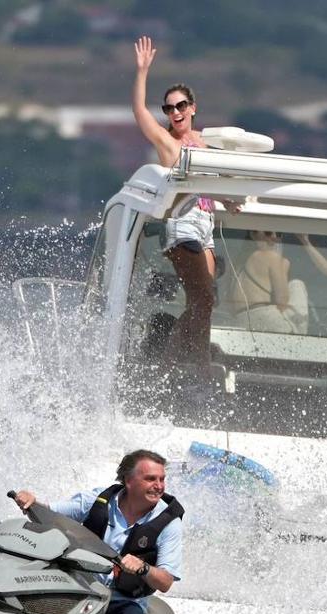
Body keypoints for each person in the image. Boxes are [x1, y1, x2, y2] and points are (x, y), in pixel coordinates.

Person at [12, 449, 183, 614]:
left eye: (162, 479)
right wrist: (31, 501)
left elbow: (165, 582)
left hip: (122, 601)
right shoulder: (98, 499)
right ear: (129, 481)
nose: (159, 486)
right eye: (150, 479)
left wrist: (143, 568)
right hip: (78, 586)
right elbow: (48, 515)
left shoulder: (169, 523)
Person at [132, 36, 217, 369]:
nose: (175, 112)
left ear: (193, 107)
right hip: (182, 222)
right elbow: (139, 112)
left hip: (206, 222)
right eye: (169, 108)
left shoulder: (205, 143)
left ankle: (196, 366)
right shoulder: (167, 142)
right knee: (202, 300)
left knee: (204, 304)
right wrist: (142, 71)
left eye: (181, 106)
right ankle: (178, 365)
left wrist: (228, 200)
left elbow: (211, 184)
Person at [230, 229, 309, 334]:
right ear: (253, 235)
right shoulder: (272, 257)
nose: (274, 237)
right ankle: (301, 330)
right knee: (297, 284)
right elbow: (282, 301)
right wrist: (283, 265)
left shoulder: (237, 266)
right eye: (268, 232)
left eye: (279, 234)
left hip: (241, 322)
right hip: (267, 320)